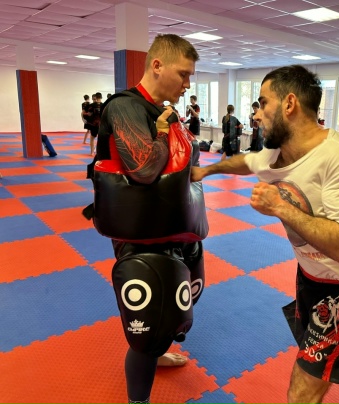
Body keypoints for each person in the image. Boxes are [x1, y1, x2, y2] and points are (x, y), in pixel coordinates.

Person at [192, 65, 339, 404]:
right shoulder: (277, 153)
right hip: (309, 278)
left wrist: (280, 207)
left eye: (262, 103)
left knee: (301, 392)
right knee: (326, 349)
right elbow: (247, 162)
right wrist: (206, 170)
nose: (255, 114)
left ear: (289, 104)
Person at [92, 34, 206, 404]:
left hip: (173, 228)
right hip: (140, 236)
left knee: (179, 304)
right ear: (157, 65)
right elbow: (143, 169)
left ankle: (158, 354)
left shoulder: (162, 111)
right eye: (183, 74)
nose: (187, 84)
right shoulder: (125, 107)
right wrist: (162, 133)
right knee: (148, 328)